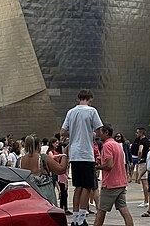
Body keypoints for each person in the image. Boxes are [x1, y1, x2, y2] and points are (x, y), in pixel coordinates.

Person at [60, 88, 103, 226]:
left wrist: (74, 133)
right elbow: (99, 130)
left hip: (74, 153)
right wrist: (91, 134)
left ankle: (75, 218)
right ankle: (81, 218)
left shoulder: (71, 112)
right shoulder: (92, 111)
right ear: (90, 99)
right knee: (87, 187)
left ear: (78, 99)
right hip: (86, 153)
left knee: (77, 187)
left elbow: (63, 132)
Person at [93, 124, 133, 226]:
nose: (98, 133)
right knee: (124, 210)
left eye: (100, 131)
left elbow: (109, 165)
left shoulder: (107, 145)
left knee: (101, 211)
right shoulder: (116, 145)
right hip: (121, 182)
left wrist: (98, 167)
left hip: (110, 184)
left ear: (106, 133)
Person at [20, 134, 69, 206]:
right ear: (39, 145)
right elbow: (61, 170)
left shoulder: (20, 160)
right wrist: (64, 154)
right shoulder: (43, 158)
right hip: (45, 192)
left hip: (29, 193)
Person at [136, 127, 150, 208]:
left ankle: (146, 201)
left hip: (143, 162)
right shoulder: (148, 141)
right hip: (147, 162)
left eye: (138, 132)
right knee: (146, 182)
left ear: (141, 133)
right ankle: (147, 200)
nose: (136, 134)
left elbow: (140, 151)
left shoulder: (141, 142)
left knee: (144, 182)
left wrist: (139, 158)